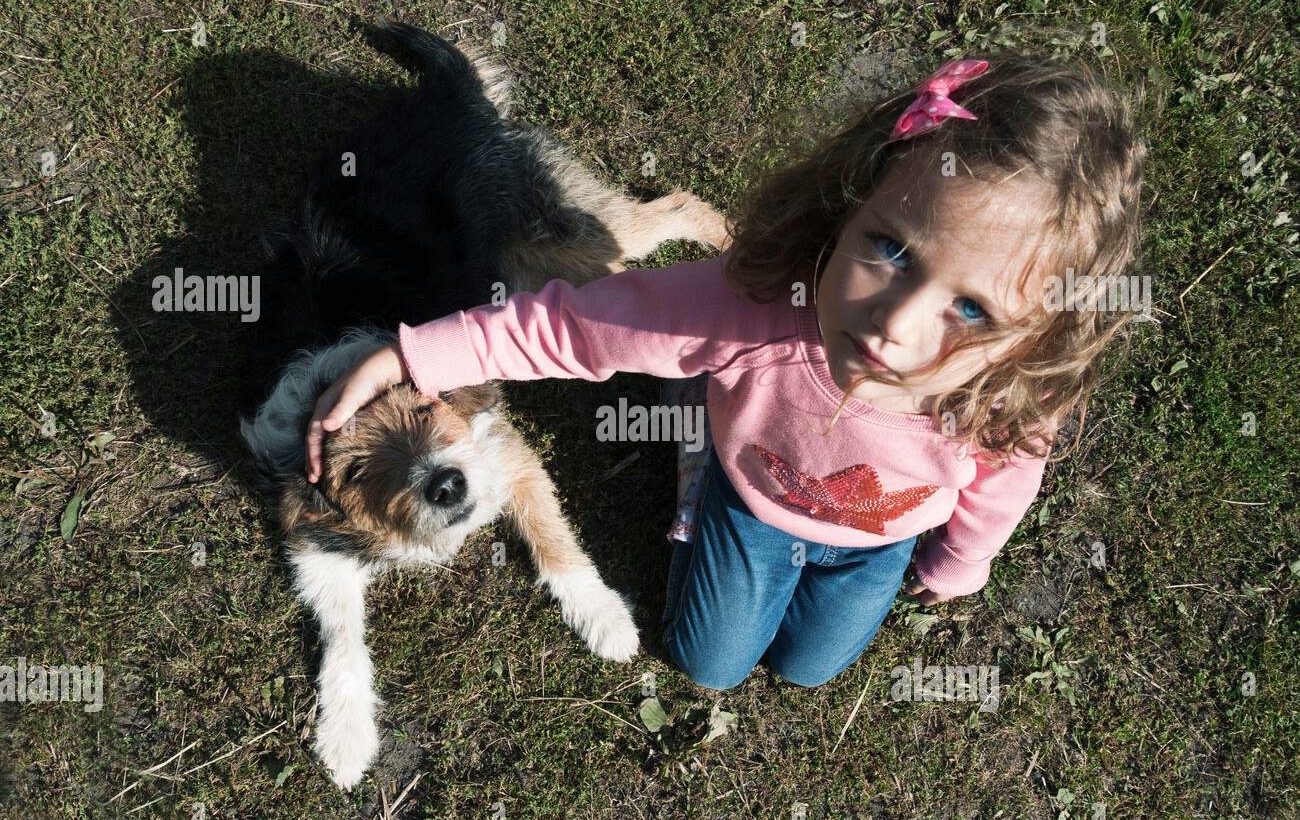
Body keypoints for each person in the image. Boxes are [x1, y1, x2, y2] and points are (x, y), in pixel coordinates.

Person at [303, 54, 1146, 690]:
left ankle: (707, 418)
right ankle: (697, 449)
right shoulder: (749, 306)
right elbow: (565, 328)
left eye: (973, 310)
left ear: (1037, 335)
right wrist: (414, 354)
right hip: (751, 505)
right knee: (708, 667)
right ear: (848, 205)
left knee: (811, 671)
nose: (895, 323)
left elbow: (1000, 493)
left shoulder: (1009, 400)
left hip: (879, 540)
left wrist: (959, 565)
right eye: (889, 248)